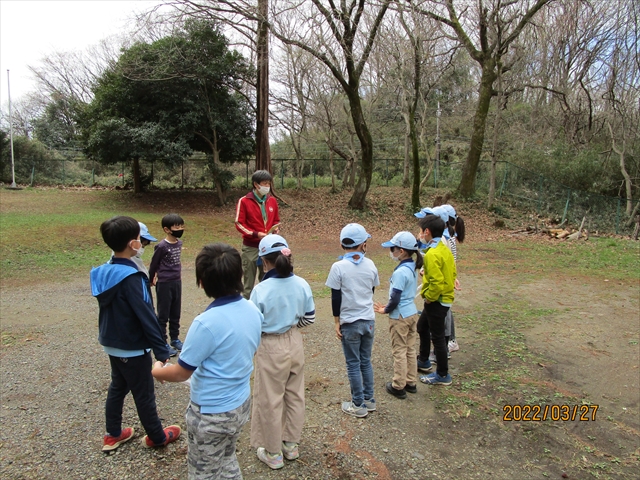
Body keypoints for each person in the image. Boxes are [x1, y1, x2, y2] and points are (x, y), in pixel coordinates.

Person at [151, 243, 262, 480]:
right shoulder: (253, 310)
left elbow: (182, 372)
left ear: (201, 282)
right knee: (226, 457)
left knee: (203, 471)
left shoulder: (206, 323)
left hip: (211, 413)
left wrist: (157, 370)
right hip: (240, 404)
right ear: (240, 275)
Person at [90, 216, 181, 452]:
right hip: (132, 346)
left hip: (111, 342)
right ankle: (157, 436)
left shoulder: (103, 272)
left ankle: (113, 434)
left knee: (118, 386)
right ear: (133, 244)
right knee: (144, 393)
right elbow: (146, 315)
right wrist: (162, 350)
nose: (142, 243)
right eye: (140, 239)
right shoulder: (132, 277)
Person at [249, 234, 315, 470]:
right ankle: (291, 445)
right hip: (294, 341)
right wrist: (292, 329)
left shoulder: (261, 290)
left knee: (270, 398)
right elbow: (310, 318)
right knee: (295, 394)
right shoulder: (302, 283)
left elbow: (253, 324)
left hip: (270, 344)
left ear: (264, 262)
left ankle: (273, 452)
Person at [326, 223, 379, 418]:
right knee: (365, 361)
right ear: (363, 244)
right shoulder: (371, 264)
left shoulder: (338, 267)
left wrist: (336, 321)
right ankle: (369, 399)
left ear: (342, 245)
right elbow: (372, 290)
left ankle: (357, 404)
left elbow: (335, 297)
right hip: (369, 321)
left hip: (350, 322)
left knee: (353, 363)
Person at [374, 231, 423, 399]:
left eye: (393, 248)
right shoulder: (413, 266)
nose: (391, 252)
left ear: (401, 251)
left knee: (399, 351)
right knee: (410, 349)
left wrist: (385, 310)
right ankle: (411, 381)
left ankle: (398, 385)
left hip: (400, 316)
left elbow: (395, 298)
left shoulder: (400, 272)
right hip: (411, 312)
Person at [416, 214, 457, 386]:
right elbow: (451, 272)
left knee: (438, 338)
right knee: (421, 326)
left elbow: (437, 283)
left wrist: (430, 298)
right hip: (442, 299)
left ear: (427, 232)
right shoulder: (443, 249)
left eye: (420, 231)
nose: (419, 235)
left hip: (437, 301)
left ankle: (442, 374)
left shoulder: (432, 253)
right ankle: (424, 360)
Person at [235, 170, 281, 299]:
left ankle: (265, 309)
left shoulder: (272, 200)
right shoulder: (244, 201)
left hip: (268, 246)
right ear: (256, 184)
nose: (267, 186)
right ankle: (246, 311)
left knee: (266, 281)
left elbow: (276, 220)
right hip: (251, 247)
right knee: (248, 284)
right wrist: (255, 234)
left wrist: (276, 229)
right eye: (264, 183)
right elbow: (239, 223)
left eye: (269, 183)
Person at [148, 213, 185, 357]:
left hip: (177, 281)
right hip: (164, 283)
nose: (180, 229)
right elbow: (154, 264)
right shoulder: (161, 246)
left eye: (181, 226)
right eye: (176, 226)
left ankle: (174, 338)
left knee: (176, 312)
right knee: (163, 314)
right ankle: (162, 342)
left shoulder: (179, 243)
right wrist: (150, 278)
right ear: (167, 229)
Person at [440, 204, 465, 353]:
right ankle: (450, 339)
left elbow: (452, 260)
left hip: (447, 279)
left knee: (446, 310)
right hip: (447, 277)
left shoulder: (449, 237)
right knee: (446, 310)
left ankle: (451, 340)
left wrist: (453, 277)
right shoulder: (447, 235)